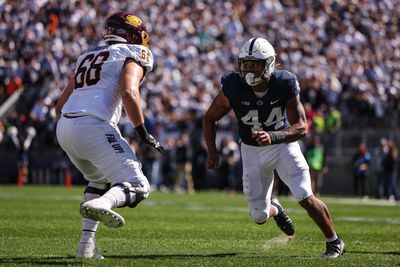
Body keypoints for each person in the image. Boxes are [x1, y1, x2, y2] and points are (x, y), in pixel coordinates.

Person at [203, 37, 345, 258]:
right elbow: (209, 118)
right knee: (259, 216)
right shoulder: (233, 86)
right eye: (245, 64)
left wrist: (274, 136)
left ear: (268, 64)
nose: (248, 69)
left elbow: (301, 127)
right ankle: (276, 208)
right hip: (250, 150)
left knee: (305, 196)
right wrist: (212, 152)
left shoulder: (284, 83)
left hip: (282, 146)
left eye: (254, 64)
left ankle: (334, 241)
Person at [55, 11, 165, 259]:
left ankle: (85, 247)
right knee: (139, 186)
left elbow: (58, 108)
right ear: (132, 35)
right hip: (93, 125)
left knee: (100, 180)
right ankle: (103, 203)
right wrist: (142, 131)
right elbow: (129, 92)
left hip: (65, 127)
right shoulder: (134, 53)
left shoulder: (87, 55)